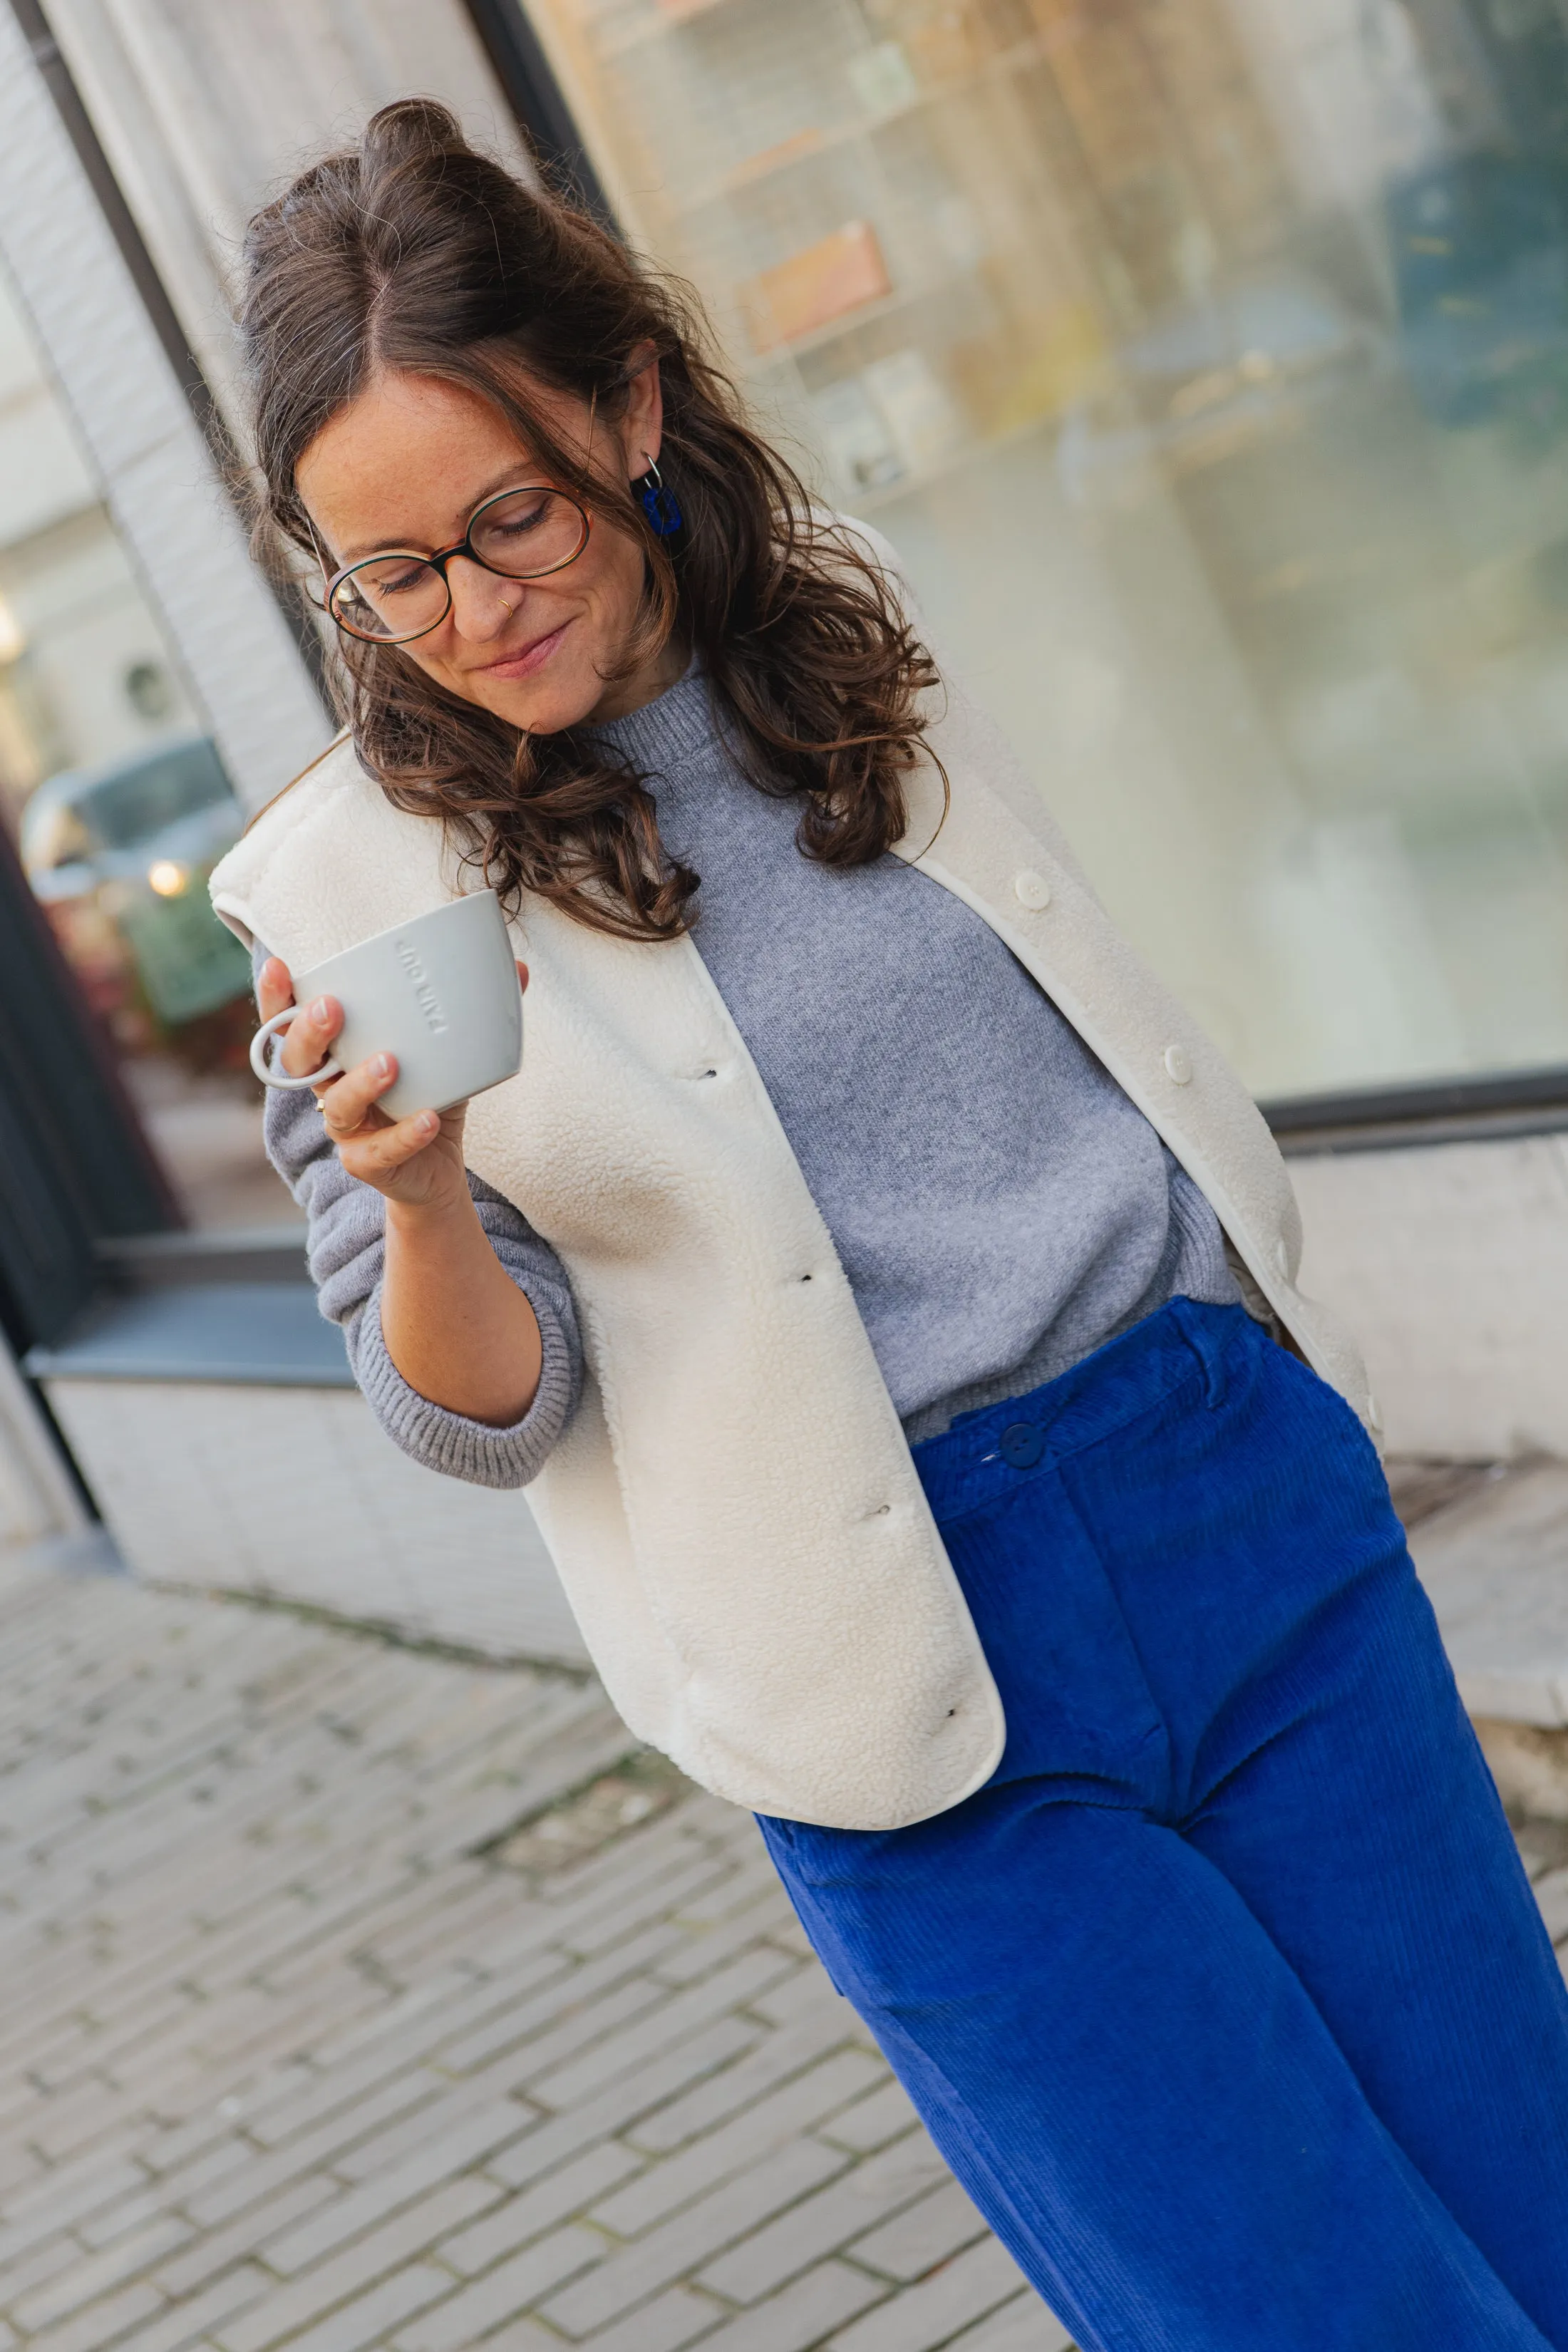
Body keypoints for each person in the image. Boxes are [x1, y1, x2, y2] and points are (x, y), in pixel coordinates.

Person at [212, 100, 1568, 2351]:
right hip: (901, 1681)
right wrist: (421, 1196)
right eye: (397, 572)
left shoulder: (841, 628)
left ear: (630, 405)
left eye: (511, 515)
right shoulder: (341, 903)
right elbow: (472, 1412)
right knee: (1301, 2304)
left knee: (1529, 2178)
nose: (475, 610)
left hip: (1229, 1485)